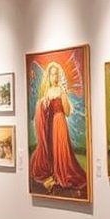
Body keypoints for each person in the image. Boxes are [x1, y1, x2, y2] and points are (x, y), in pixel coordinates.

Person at [30, 61, 87, 192]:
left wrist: (64, 95)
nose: (54, 77)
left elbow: (67, 112)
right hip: (49, 124)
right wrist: (42, 105)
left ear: (59, 75)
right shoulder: (47, 92)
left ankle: (58, 175)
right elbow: (42, 110)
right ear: (48, 76)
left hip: (59, 122)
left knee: (60, 149)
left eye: (56, 74)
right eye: (52, 74)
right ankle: (53, 174)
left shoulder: (61, 90)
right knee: (51, 149)